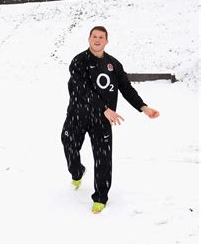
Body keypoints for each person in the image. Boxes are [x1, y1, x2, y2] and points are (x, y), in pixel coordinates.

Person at [61, 26, 159, 214]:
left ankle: (100, 196)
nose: (97, 40)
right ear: (89, 39)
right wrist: (104, 108)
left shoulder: (113, 64)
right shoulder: (78, 62)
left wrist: (143, 107)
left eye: (101, 37)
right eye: (94, 36)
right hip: (77, 115)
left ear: (106, 41)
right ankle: (77, 172)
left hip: (102, 120)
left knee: (103, 158)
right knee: (68, 144)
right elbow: (83, 90)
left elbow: (126, 88)